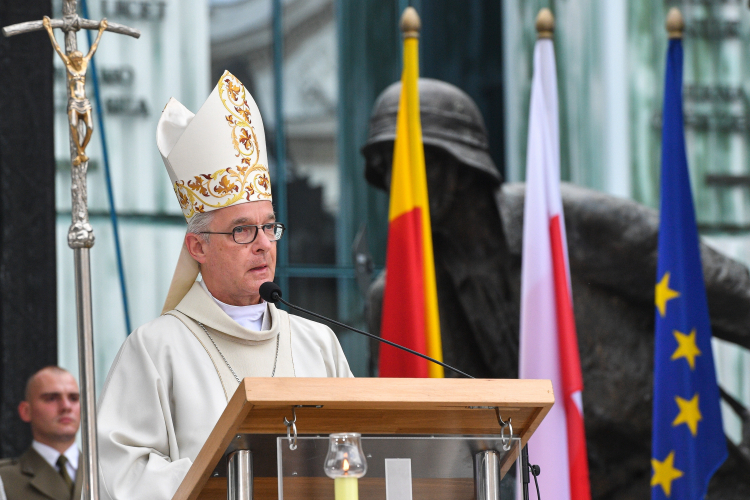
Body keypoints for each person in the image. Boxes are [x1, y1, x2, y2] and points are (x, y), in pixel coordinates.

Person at [97, 70, 352, 500]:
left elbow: (355, 452)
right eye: (241, 231)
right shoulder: (156, 348)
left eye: (269, 227)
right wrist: (234, 483)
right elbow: (123, 475)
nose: (263, 245)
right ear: (197, 246)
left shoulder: (318, 343)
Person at [0, 366, 83, 500]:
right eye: (51, 398)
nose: (66, 406)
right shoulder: (4, 479)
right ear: (26, 411)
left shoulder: (106, 473)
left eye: (74, 398)